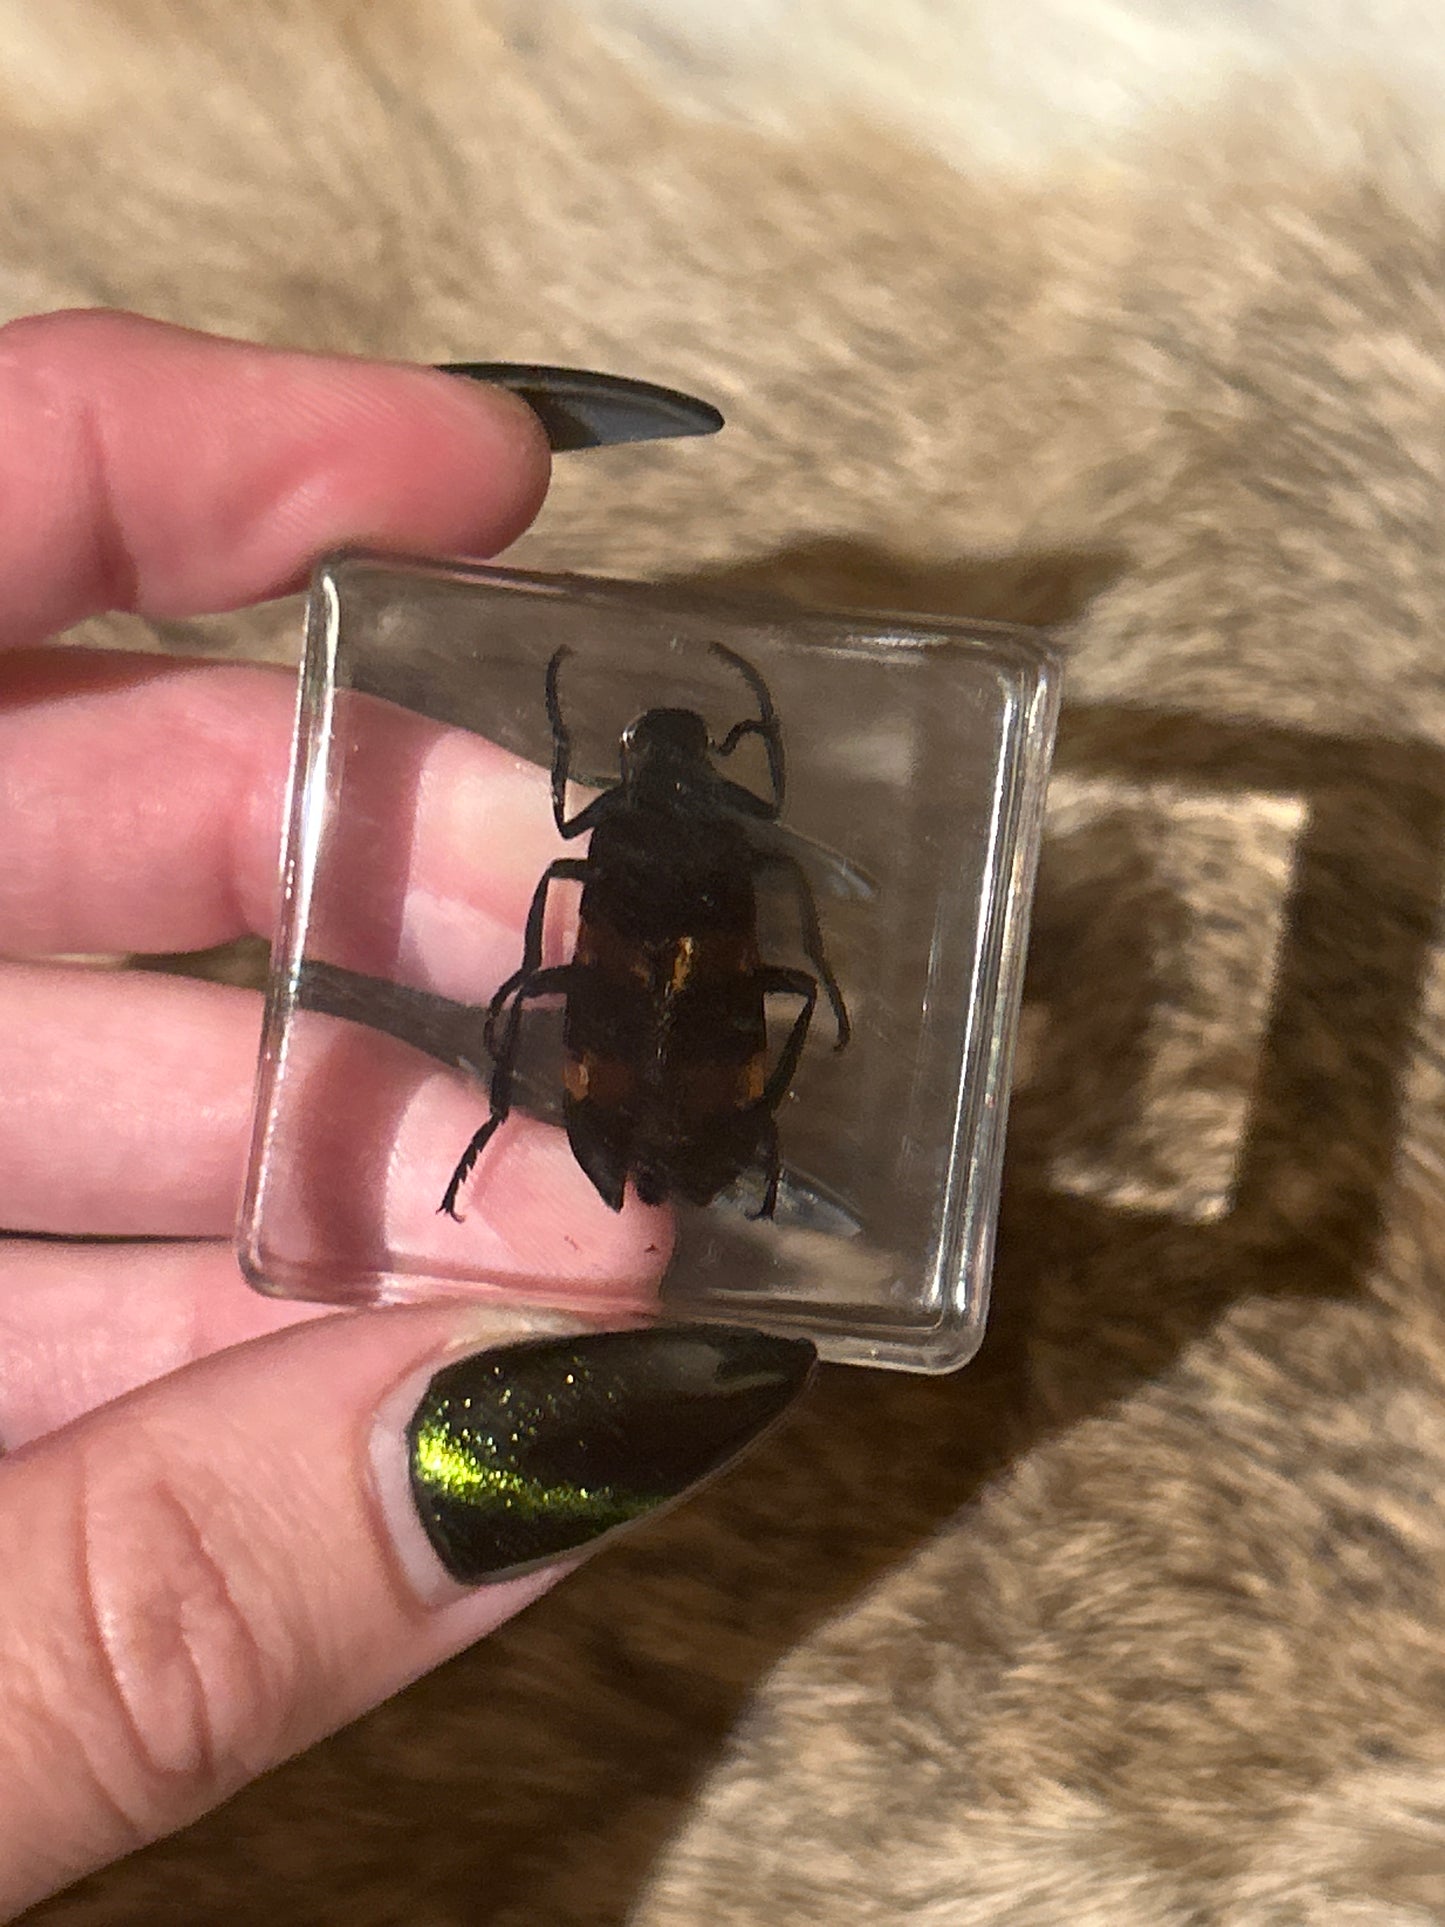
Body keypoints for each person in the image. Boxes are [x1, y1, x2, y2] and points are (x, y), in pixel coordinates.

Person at [0, 309, 811, 1915]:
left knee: (562, 991)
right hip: (670, 1004)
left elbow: (556, 903)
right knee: (624, 1001)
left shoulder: (612, 841)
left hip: (633, 1013)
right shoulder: (712, 839)